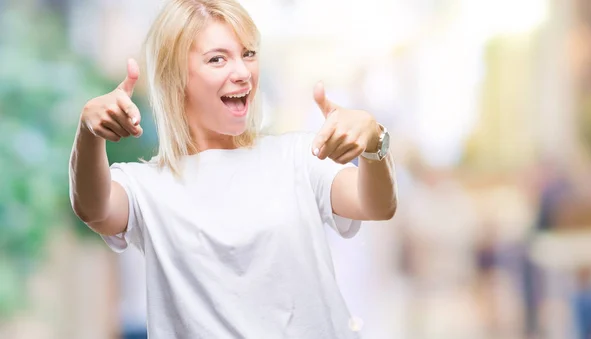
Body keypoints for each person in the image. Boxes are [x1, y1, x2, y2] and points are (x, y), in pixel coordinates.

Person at [68, 0, 397, 337]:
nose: (242, 73)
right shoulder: (146, 187)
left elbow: (375, 204)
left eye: (248, 54)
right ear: (176, 77)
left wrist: (376, 143)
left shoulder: (298, 157)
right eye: (218, 59)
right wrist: (89, 134)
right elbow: (93, 207)